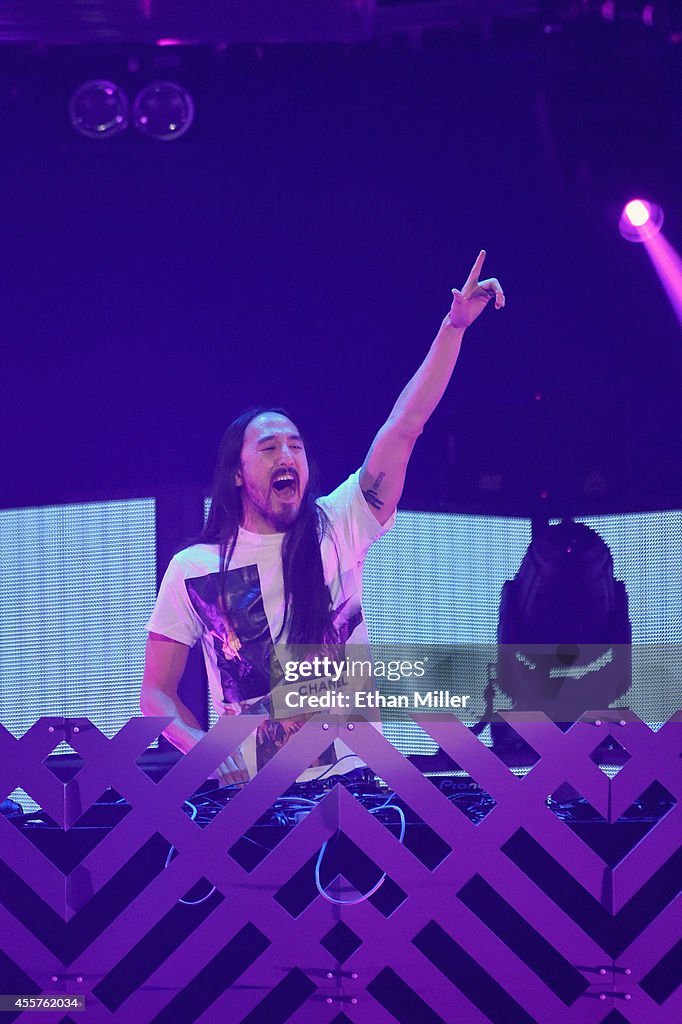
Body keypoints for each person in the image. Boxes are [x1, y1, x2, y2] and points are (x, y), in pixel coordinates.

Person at [140, 250, 504, 783]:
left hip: (359, 792)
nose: (287, 457)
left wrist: (452, 329)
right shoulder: (194, 569)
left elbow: (405, 426)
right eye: (268, 448)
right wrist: (201, 752)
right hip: (251, 808)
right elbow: (155, 692)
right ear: (237, 473)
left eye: (296, 446)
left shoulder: (338, 524)